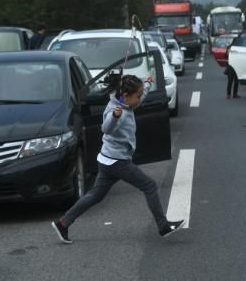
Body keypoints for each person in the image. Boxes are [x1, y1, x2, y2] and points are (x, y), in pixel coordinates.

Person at [52, 74, 185, 244]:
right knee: (149, 186)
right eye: (137, 95)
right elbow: (106, 128)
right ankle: (163, 226)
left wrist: (148, 84)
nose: (140, 98)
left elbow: (140, 97)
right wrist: (114, 116)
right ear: (127, 96)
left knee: (95, 195)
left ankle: (63, 223)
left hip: (107, 160)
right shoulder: (116, 110)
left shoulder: (126, 102)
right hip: (117, 162)